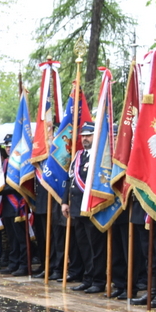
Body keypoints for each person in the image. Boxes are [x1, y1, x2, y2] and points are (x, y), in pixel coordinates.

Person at [61, 123, 106, 293]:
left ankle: (99, 280)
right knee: (83, 245)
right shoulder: (79, 156)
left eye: (89, 135)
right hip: (77, 207)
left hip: (92, 208)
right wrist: (65, 202)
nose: (85, 138)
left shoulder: (100, 157)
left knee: (96, 246)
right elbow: (70, 180)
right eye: (83, 136)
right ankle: (88, 278)